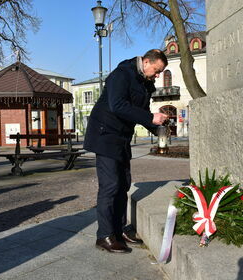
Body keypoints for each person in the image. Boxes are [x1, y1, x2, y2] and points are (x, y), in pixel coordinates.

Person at [84, 49, 168, 253]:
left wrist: (157, 128)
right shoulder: (122, 74)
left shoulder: (145, 82)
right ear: (146, 62)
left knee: (123, 184)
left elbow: (141, 112)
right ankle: (104, 235)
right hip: (105, 135)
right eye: (156, 71)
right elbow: (118, 105)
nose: (157, 76)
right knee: (110, 186)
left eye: (160, 73)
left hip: (122, 137)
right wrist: (150, 119)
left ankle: (119, 229)